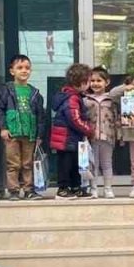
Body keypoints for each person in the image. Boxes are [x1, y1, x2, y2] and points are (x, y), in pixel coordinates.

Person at [0, 53, 48, 201]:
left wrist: (39, 135)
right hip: (12, 133)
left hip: (30, 133)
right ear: (12, 71)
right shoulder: (7, 90)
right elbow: (0, 110)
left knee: (28, 164)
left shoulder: (35, 93)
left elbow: (41, 116)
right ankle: (13, 190)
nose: (24, 70)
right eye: (20, 67)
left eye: (27, 68)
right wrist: (3, 128)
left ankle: (28, 190)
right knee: (13, 163)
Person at [49, 63, 94, 200]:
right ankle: (63, 189)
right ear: (81, 82)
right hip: (66, 138)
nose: (89, 84)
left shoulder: (72, 95)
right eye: (88, 81)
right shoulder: (72, 98)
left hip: (71, 138)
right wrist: (88, 130)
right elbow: (74, 119)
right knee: (66, 164)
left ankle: (75, 187)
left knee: (75, 163)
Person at [84, 66, 118, 199]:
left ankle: (108, 188)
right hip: (91, 137)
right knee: (93, 164)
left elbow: (117, 118)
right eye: (92, 81)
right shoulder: (86, 100)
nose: (95, 84)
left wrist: (119, 134)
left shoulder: (111, 99)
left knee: (107, 163)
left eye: (99, 80)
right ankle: (93, 188)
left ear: (107, 82)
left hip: (108, 136)